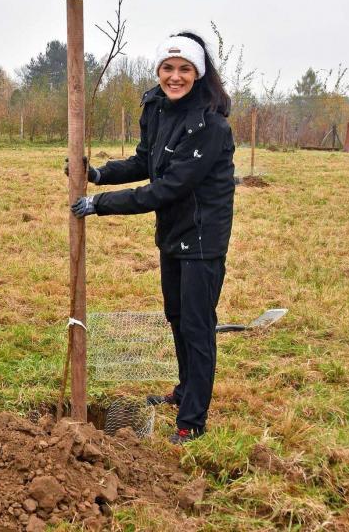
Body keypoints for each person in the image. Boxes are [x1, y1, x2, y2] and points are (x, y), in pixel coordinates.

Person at [69, 32, 235, 444]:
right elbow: (146, 161)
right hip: (172, 232)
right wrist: (100, 174)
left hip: (201, 237)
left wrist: (100, 203)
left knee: (198, 326)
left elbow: (167, 188)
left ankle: (192, 420)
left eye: (184, 69)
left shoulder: (209, 125)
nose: (174, 76)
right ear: (158, 71)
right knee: (176, 316)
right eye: (167, 68)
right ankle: (183, 390)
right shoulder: (157, 108)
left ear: (198, 73)